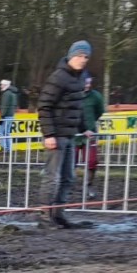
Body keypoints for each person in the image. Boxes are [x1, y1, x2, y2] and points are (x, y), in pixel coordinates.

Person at [37, 40, 94, 228]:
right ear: (71, 56)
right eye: (79, 56)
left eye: (86, 57)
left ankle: (59, 214)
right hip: (56, 135)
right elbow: (44, 106)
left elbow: (78, 106)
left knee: (68, 177)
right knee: (52, 177)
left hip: (70, 135)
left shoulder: (81, 77)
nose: (82, 60)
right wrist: (49, 135)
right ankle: (45, 217)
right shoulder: (58, 77)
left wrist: (84, 127)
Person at [78, 72, 105, 184]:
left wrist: (90, 122)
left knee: (92, 161)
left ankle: (89, 184)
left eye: (89, 82)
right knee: (69, 161)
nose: (88, 85)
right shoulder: (71, 95)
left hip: (90, 133)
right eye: (85, 83)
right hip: (74, 133)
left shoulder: (96, 96)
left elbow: (100, 111)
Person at [0, 78, 18, 153]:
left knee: (0, 132)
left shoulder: (6, 94)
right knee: (7, 132)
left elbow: (4, 106)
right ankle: (9, 148)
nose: (0, 86)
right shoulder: (13, 93)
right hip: (11, 115)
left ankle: (4, 148)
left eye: (1, 85)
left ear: (5, 85)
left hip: (5, 116)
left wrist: (2, 116)